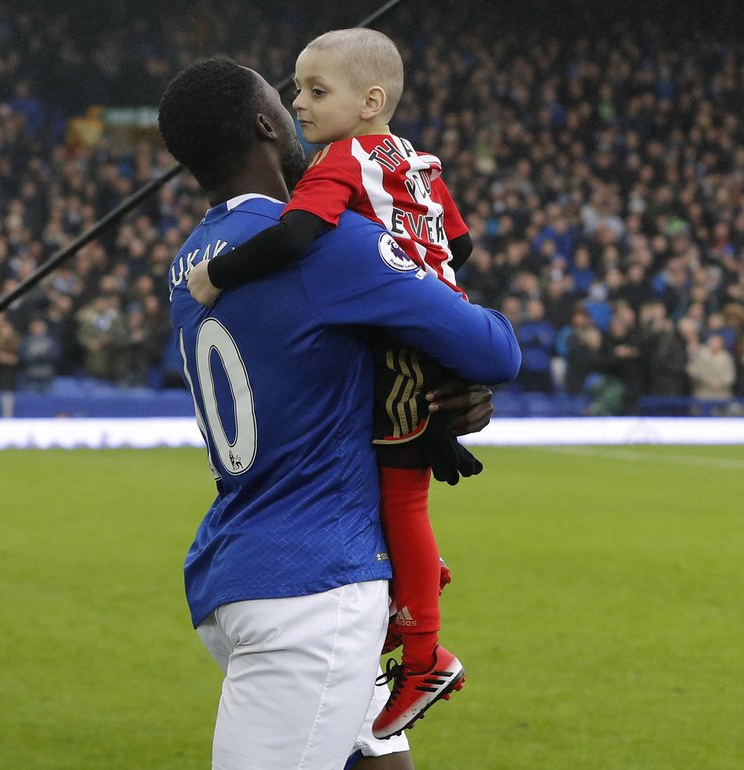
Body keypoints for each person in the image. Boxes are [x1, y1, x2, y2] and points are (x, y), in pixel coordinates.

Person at [157, 57, 520, 770]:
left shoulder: (190, 261)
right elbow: (495, 350)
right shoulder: (325, 246)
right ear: (265, 124)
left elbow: (307, 357)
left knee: (378, 758)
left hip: (238, 567)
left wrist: (414, 381)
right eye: (283, 98)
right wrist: (454, 378)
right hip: (314, 586)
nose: (297, 106)